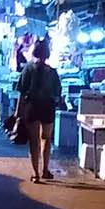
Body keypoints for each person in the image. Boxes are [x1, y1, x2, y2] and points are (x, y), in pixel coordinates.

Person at [16, 36, 63, 182]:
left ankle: (35, 174)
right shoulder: (52, 72)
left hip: (32, 107)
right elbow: (57, 94)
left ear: (34, 52)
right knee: (46, 139)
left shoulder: (28, 69)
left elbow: (21, 91)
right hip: (47, 107)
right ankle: (45, 170)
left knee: (34, 141)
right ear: (47, 53)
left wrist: (18, 112)